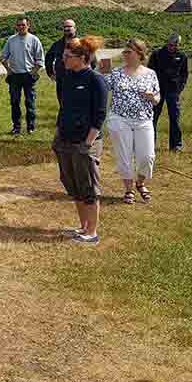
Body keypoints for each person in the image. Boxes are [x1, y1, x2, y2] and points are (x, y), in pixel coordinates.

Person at [53, 35, 108, 244]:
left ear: (82, 57)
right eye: (64, 56)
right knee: (73, 184)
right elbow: (64, 108)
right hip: (65, 139)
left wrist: (88, 143)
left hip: (86, 142)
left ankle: (92, 233)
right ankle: (83, 226)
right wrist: (58, 134)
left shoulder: (96, 80)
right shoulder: (66, 77)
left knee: (88, 187)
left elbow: (100, 115)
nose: (64, 60)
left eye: (68, 56)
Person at [106, 39, 160, 203]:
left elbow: (157, 98)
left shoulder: (150, 74)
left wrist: (152, 97)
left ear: (139, 54)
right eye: (124, 52)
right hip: (119, 118)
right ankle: (128, 189)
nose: (125, 55)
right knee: (125, 155)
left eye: (128, 52)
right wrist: (103, 70)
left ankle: (140, 182)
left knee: (147, 156)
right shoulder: (116, 73)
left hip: (144, 119)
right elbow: (103, 86)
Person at [0, 16, 44, 134]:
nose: (20, 27)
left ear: (28, 26)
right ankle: (16, 127)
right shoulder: (11, 40)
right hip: (14, 76)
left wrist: (33, 72)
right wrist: (8, 70)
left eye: (23, 25)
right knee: (14, 102)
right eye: (18, 25)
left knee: (30, 102)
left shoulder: (34, 40)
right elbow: (3, 57)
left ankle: (31, 127)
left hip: (29, 75)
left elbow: (40, 61)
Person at [150, 33, 189, 152]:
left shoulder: (182, 56)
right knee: (153, 117)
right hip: (157, 90)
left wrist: (179, 88)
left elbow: (184, 74)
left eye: (175, 45)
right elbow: (150, 72)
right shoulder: (157, 54)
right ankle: (150, 144)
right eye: (171, 44)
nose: (172, 47)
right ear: (167, 43)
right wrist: (152, 88)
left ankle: (176, 145)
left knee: (175, 117)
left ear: (178, 45)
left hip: (173, 91)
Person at [48, 18, 96, 103]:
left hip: (80, 79)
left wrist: (90, 75)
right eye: (65, 27)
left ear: (75, 28)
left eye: (69, 26)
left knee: (80, 103)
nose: (66, 28)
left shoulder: (82, 44)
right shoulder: (57, 44)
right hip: (62, 80)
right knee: (63, 104)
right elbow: (48, 58)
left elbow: (92, 60)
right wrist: (50, 73)